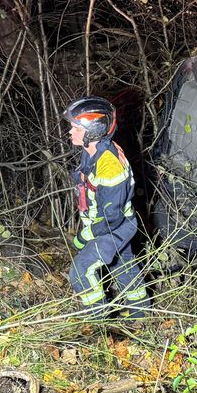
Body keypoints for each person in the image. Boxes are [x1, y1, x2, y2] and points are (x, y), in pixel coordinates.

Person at [63, 96, 148, 317]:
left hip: (113, 229)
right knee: (123, 267)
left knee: (81, 271)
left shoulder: (110, 167)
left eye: (76, 128)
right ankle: (141, 315)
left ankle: (98, 320)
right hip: (120, 225)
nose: (71, 133)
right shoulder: (92, 149)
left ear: (94, 130)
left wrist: (85, 235)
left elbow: (111, 218)